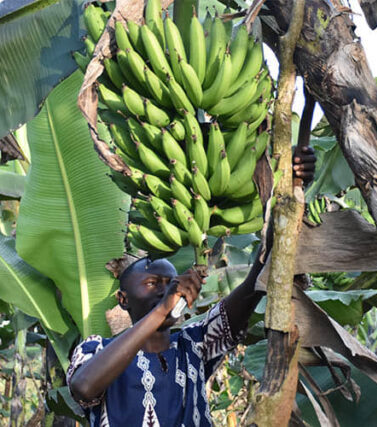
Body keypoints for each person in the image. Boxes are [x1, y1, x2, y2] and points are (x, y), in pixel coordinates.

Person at [67, 146, 315, 426]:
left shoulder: (194, 344)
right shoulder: (96, 348)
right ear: (123, 299)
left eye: (170, 284)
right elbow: (83, 387)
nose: (165, 291)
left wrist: (289, 185)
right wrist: (161, 312)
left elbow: (252, 285)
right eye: (152, 283)